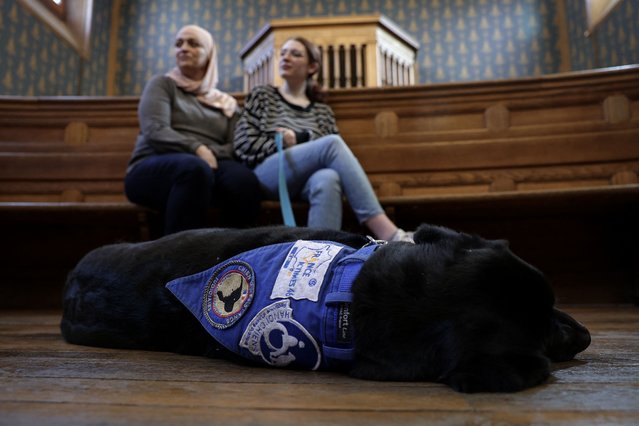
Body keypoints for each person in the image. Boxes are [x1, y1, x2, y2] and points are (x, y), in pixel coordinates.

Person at [234, 36, 413, 242]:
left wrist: (299, 138)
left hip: (307, 181)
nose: (286, 57)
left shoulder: (322, 111)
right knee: (331, 144)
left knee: (329, 177)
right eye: (283, 53)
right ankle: (387, 232)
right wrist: (284, 142)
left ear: (312, 67)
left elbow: (331, 156)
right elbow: (243, 144)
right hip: (269, 174)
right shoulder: (262, 96)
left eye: (295, 53)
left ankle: (317, 255)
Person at [125, 25, 260, 236]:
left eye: (193, 44)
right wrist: (197, 148)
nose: (183, 48)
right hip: (153, 165)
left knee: (244, 180)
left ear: (209, 54)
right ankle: (180, 262)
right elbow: (155, 130)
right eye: (178, 43)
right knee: (194, 169)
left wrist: (209, 153)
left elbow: (236, 145)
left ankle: (232, 260)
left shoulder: (226, 103)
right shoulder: (162, 84)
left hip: (209, 166)